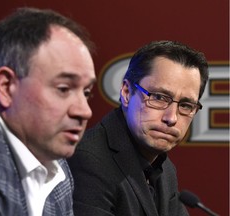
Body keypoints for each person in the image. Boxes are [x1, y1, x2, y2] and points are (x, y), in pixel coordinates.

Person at [0, 7, 96, 216]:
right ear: (6, 87)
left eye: (86, 93)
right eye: (63, 89)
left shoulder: (53, 161)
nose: (84, 111)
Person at [67, 40, 209, 216]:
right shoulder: (88, 161)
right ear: (126, 93)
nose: (171, 118)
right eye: (159, 97)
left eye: (186, 105)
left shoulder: (165, 169)